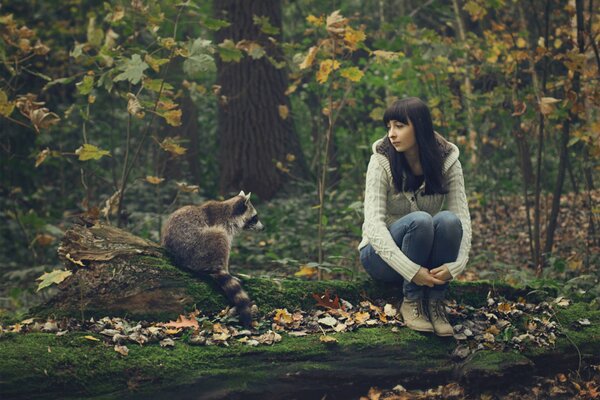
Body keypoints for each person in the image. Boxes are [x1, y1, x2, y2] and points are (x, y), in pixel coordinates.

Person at [358, 97, 471, 337]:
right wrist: (411, 271)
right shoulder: (381, 161)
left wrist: (458, 264)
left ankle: (435, 304)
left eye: (399, 126)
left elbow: (462, 217)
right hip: (379, 256)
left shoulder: (447, 160)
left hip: (422, 254)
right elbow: (373, 226)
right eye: (389, 127)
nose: (391, 134)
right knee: (420, 220)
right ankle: (411, 301)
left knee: (449, 221)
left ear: (419, 127)